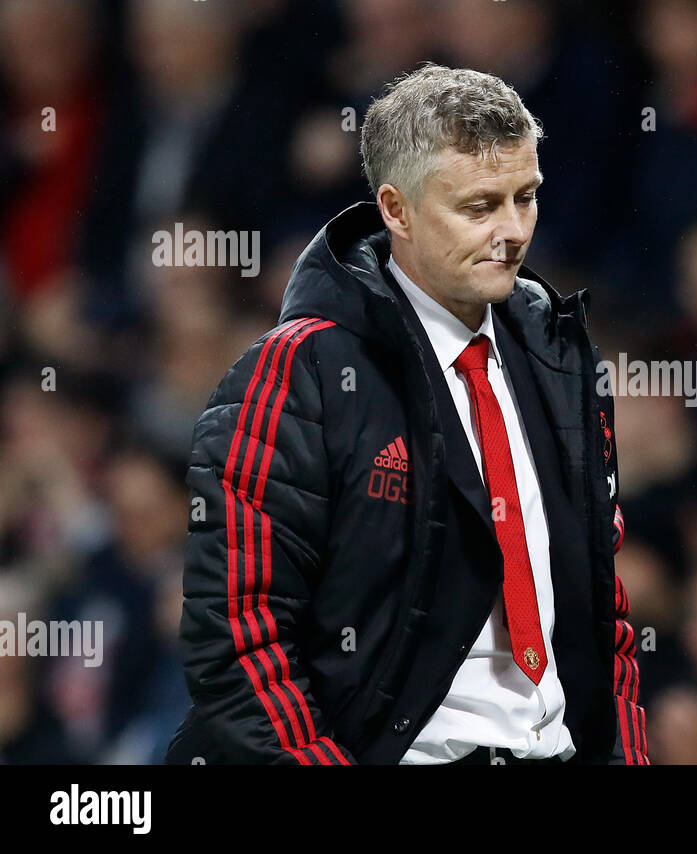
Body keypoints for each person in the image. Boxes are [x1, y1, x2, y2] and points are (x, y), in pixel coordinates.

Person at [164, 64, 649, 764]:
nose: (512, 232)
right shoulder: (300, 373)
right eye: (480, 207)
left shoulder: (561, 358)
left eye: (526, 197)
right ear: (396, 209)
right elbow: (239, 636)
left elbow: (604, 610)